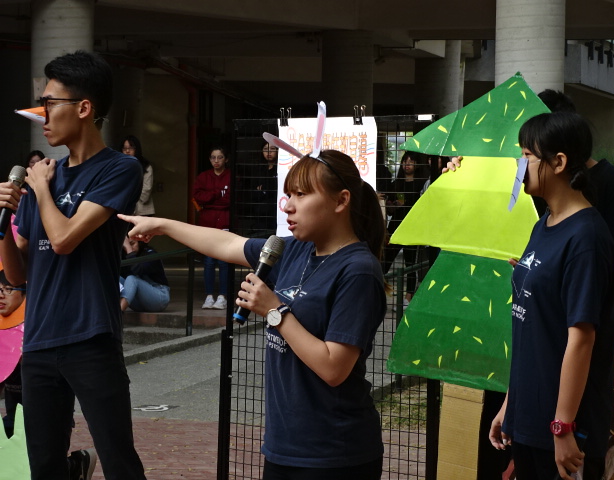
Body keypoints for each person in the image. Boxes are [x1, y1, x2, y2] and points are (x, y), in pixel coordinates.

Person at [120, 148, 387, 480]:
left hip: (335, 454)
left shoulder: (358, 270)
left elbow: (334, 367)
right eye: (287, 194)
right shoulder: (294, 250)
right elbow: (227, 244)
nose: (288, 205)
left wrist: (274, 310)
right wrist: (162, 225)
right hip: (284, 446)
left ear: (340, 200)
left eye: (301, 195)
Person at [0, 50, 146, 480]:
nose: (41, 114)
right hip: (40, 342)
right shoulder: (44, 175)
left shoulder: (119, 169)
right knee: (44, 465)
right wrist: (6, 225)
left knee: (119, 461)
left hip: (91, 337)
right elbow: (17, 274)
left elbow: (64, 239)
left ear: (84, 108)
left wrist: (41, 188)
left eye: (50, 103)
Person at [489, 112, 614, 480]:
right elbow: (535, 331)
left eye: (527, 155)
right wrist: (509, 406)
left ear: (558, 162)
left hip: (564, 432)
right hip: (530, 419)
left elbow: (581, 339)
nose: (519, 166)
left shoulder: (587, 239)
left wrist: (562, 427)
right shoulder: (543, 224)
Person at [0, 269, 98, 479]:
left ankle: (74, 464)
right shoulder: (3, 337)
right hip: (15, 418)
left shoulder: (40, 328)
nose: (1, 295)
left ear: (25, 294)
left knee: (42, 461)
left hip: (50, 415)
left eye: (8, 289)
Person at [383, 151, 430, 308]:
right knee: (385, 261)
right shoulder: (396, 183)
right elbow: (388, 208)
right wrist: (392, 206)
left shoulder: (422, 184)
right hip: (395, 228)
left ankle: (408, 298)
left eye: (411, 161)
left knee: (411, 265)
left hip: (413, 229)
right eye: (405, 161)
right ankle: (380, 293)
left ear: (417, 164)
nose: (407, 164)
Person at [193, 146, 231, 310]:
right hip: (207, 222)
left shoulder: (231, 176)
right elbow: (197, 197)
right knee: (208, 261)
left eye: (220, 157)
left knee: (223, 261)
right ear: (209, 159)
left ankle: (223, 296)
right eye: (213, 157)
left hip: (224, 220)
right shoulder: (203, 177)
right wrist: (216, 194)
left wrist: (210, 197)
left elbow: (229, 200)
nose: (216, 161)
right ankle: (209, 296)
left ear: (226, 159)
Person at [120, 236, 170, 312]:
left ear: (139, 242)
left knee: (132, 278)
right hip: (138, 302)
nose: (130, 247)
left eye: (132, 244)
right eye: (126, 246)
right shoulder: (125, 255)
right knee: (115, 277)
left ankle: (119, 312)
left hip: (159, 298)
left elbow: (137, 269)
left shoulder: (151, 254)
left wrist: (129, 250)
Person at [120, 135, 155, 216]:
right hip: (123, 211)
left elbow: (146, 192)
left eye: (131, 148)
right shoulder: (118, 167)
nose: (127, 151)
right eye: (124, 148)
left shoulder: (145, 166)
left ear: (136, 149)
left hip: (143, 211)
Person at [250, 142, 279, 237]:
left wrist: (264, 189)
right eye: (265, 149)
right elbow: (253, 192)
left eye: (272, 149)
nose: (269, 152)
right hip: (260, 214)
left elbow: (276, 189)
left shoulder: (280, 169)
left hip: (276, 212)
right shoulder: (259, 169)